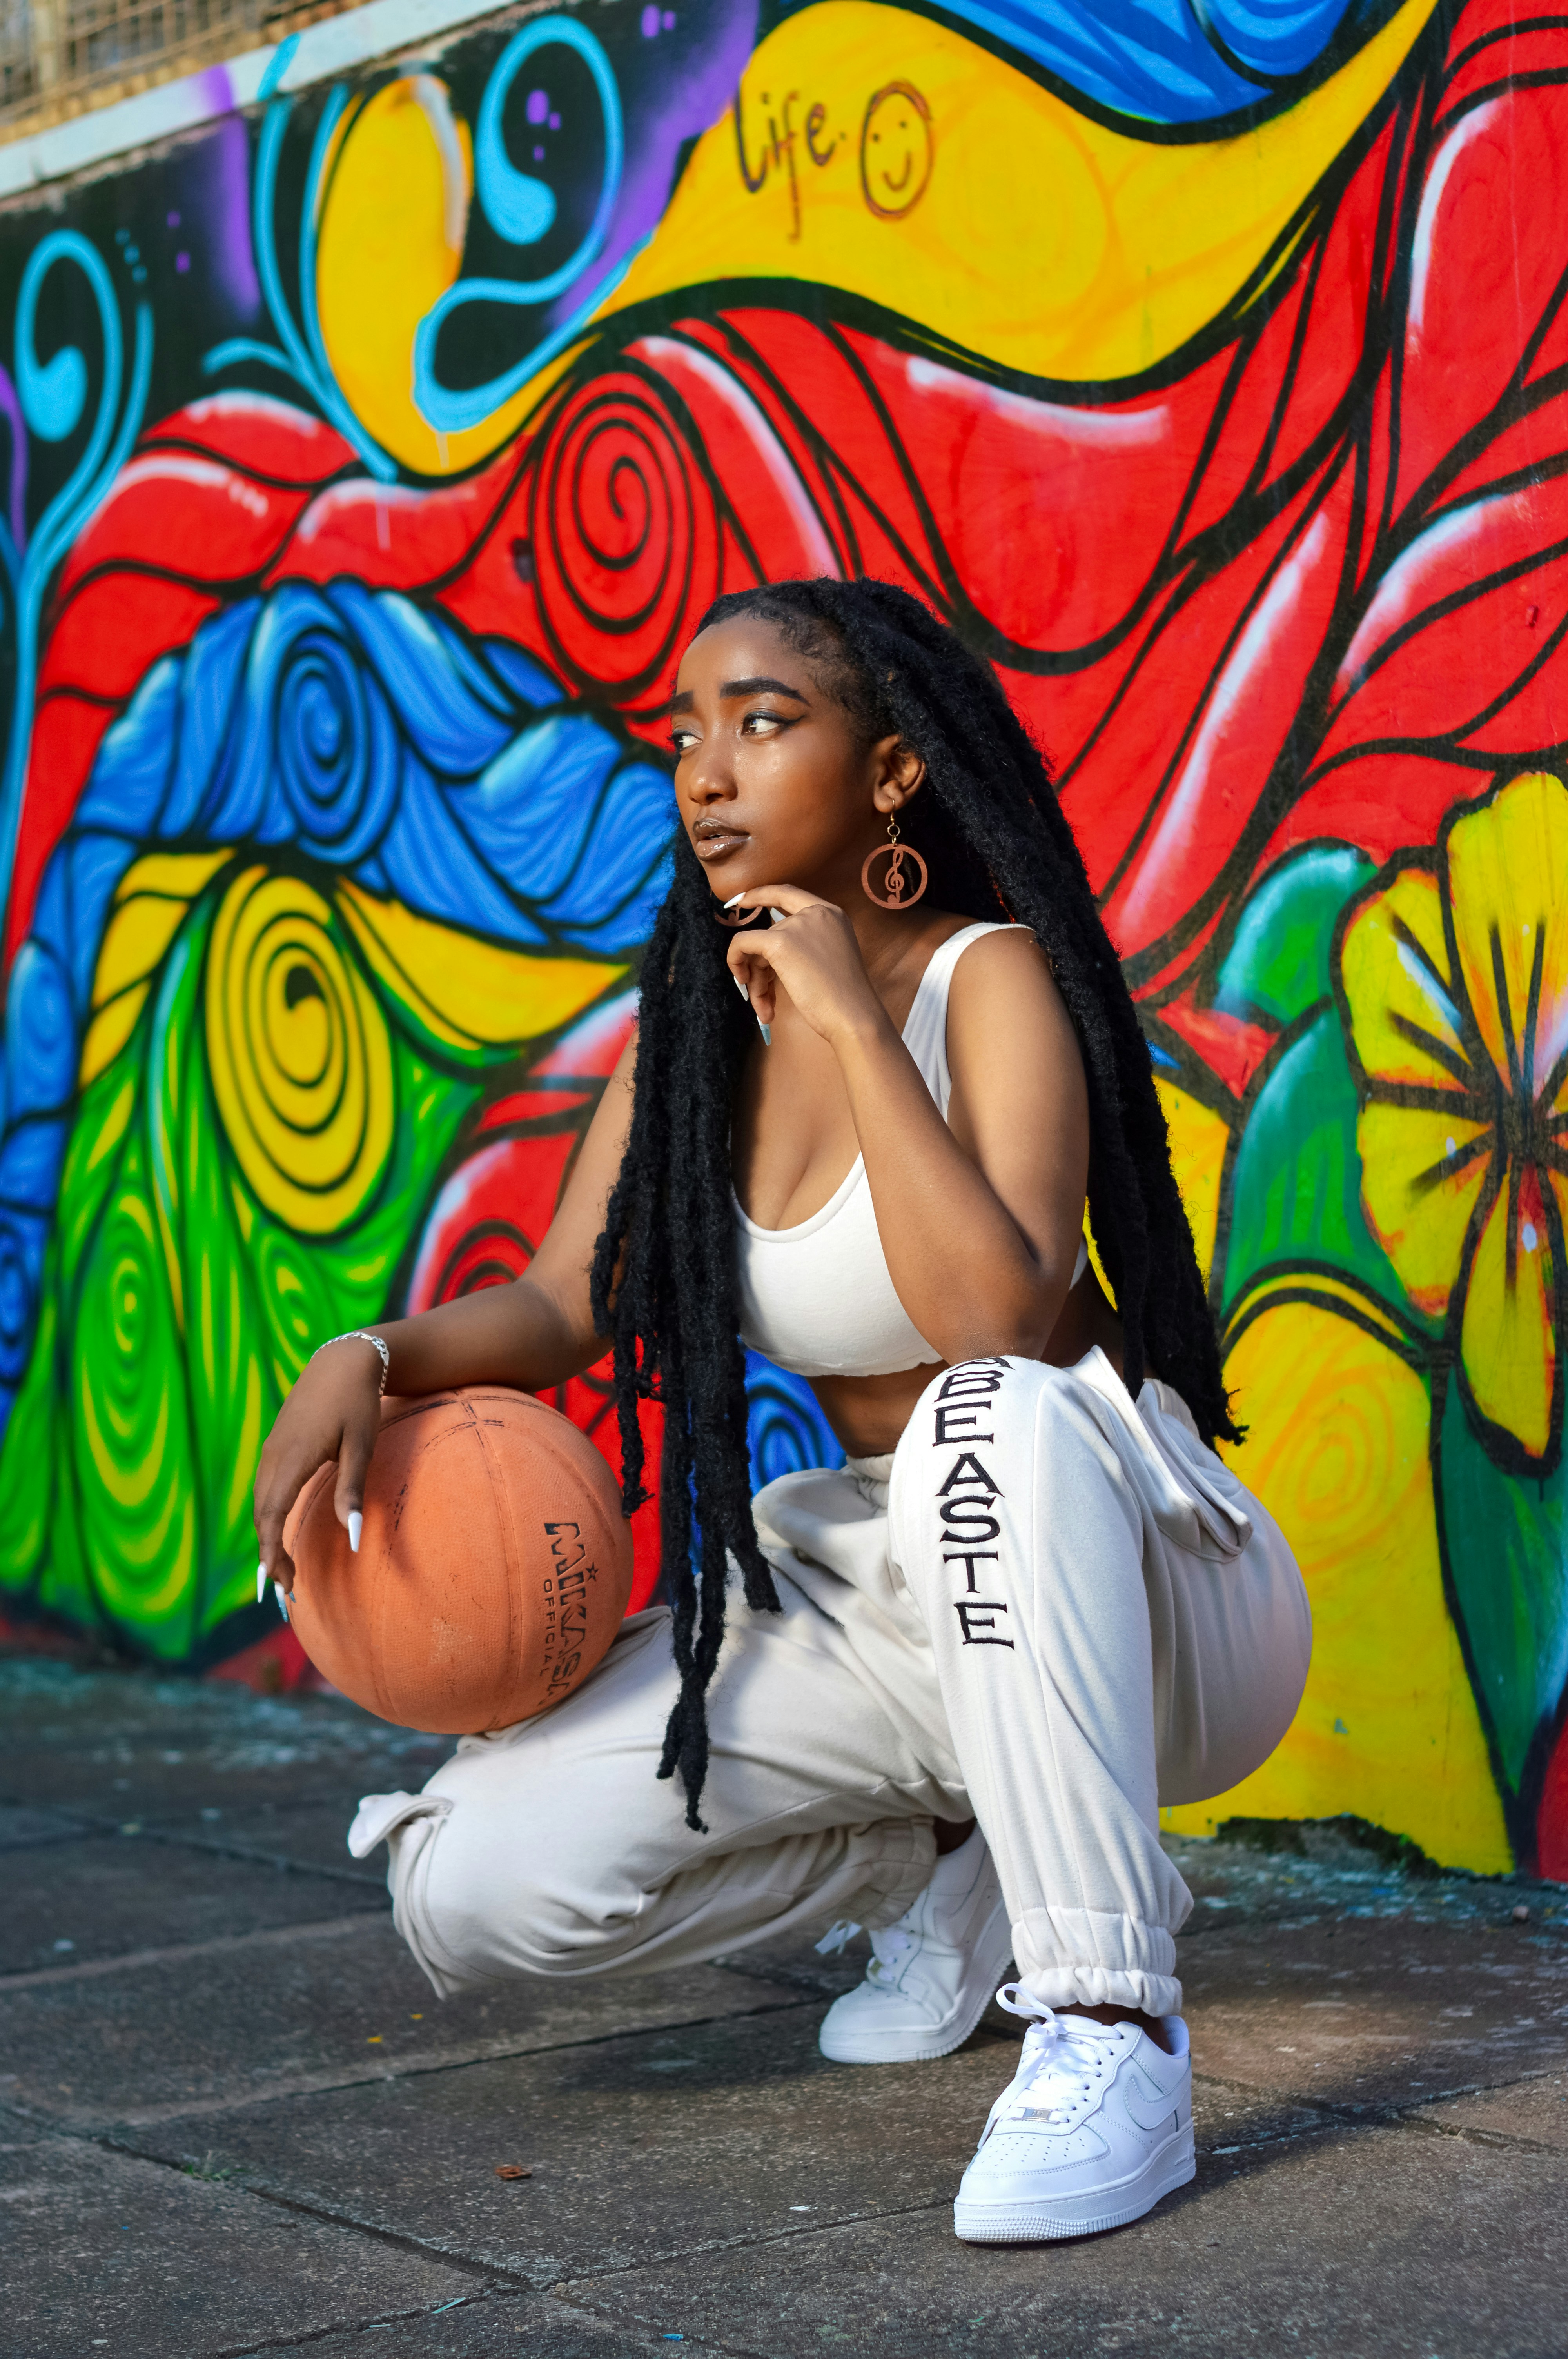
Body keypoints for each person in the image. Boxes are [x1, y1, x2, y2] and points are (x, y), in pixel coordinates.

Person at [254, 577, 1309, 2245]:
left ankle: (1111, 2022)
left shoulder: (987, 979)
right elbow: (569, 1300)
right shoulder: (696, 1033)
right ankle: (945, 1852)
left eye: (762, 722)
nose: (708, 770)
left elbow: (998, 1318)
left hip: (1138, 1590)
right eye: (685, 734)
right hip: (882, 1605)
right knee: (470, 1880)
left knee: (985, 1417)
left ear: (892, 772)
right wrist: (370, 1357)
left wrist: (852, 1023)